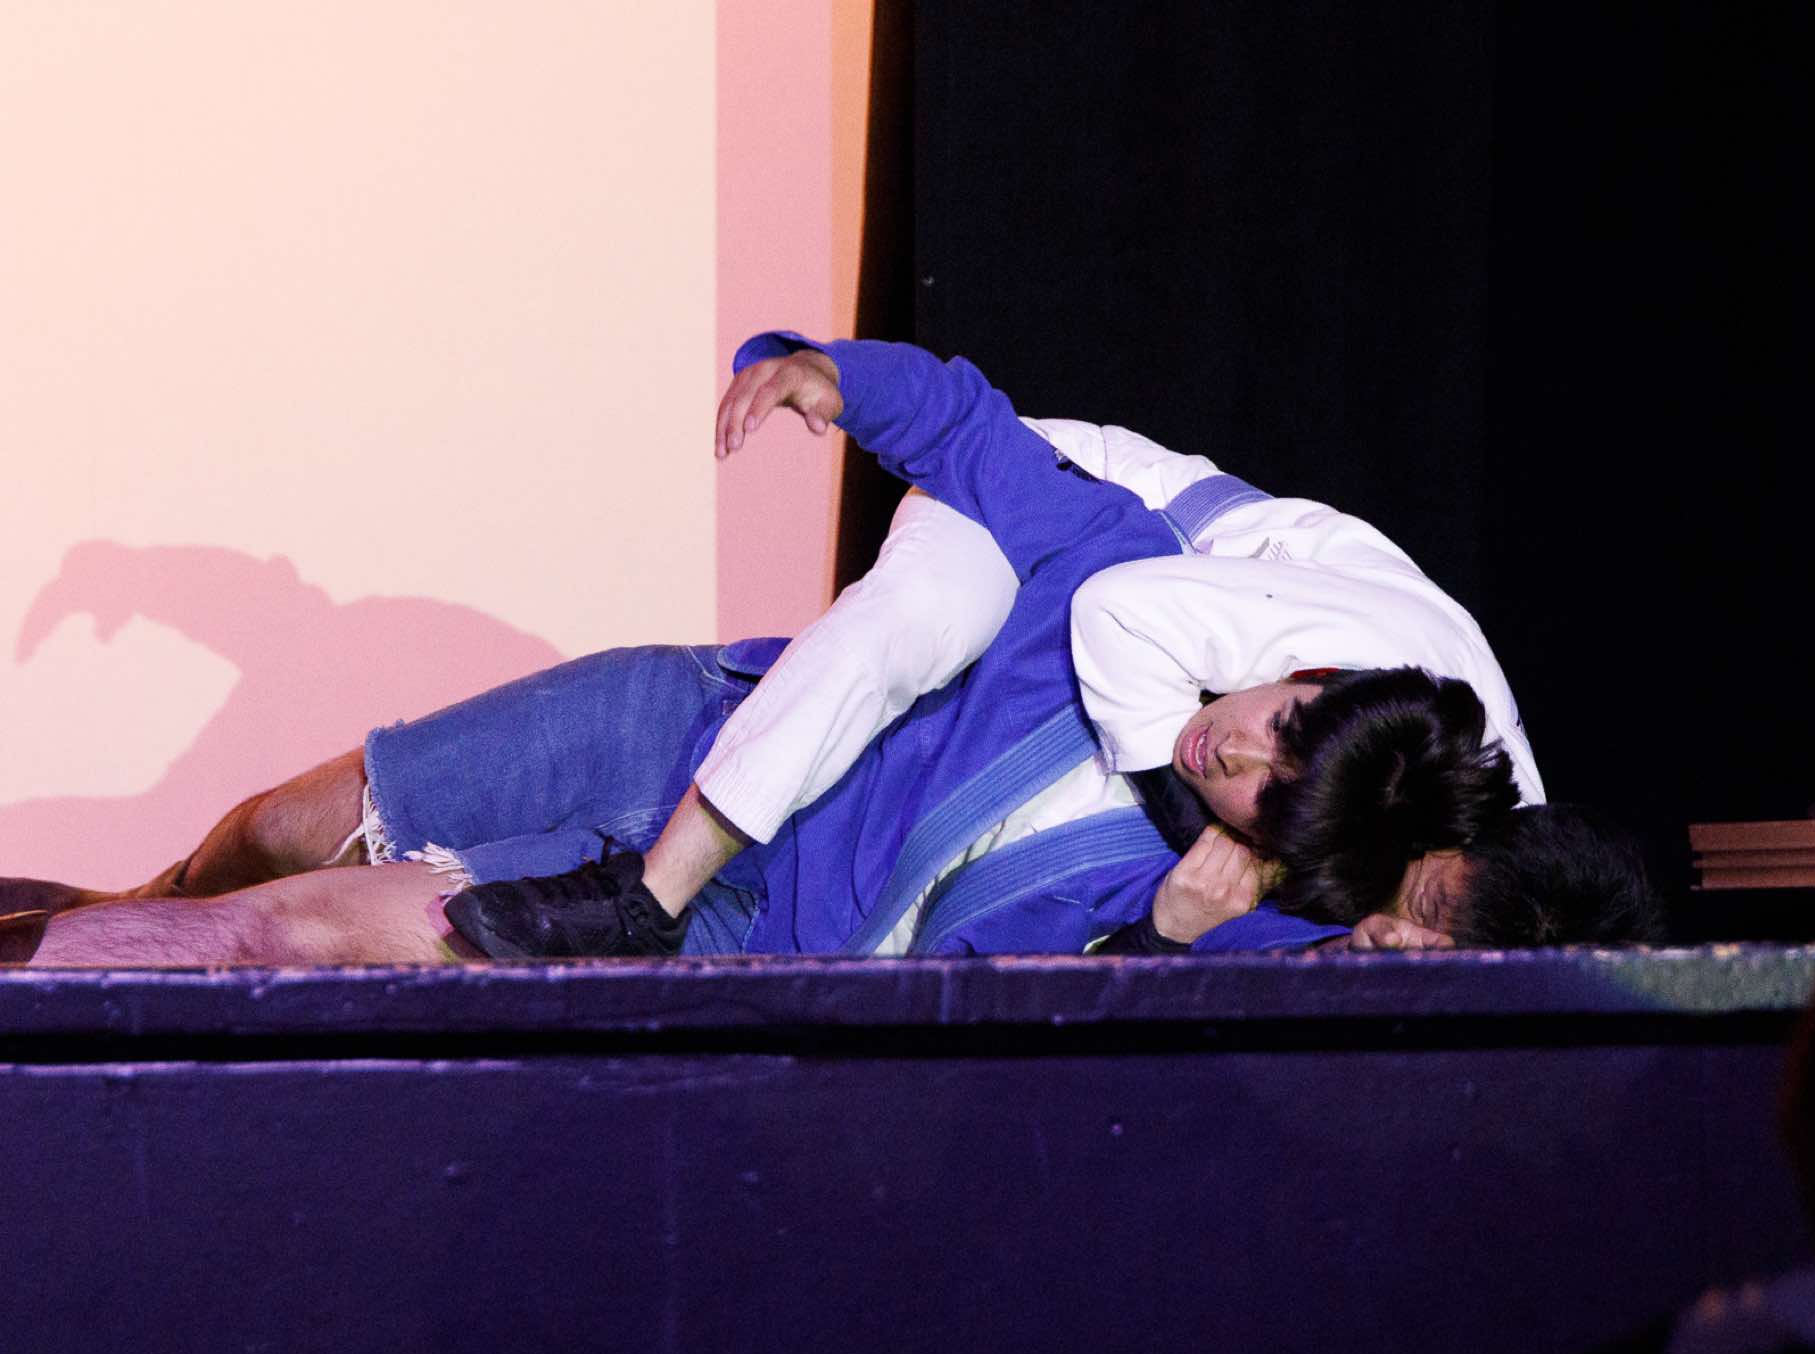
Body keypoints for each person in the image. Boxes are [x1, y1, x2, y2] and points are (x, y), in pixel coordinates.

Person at [9, 331, 1537, 965]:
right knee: (271, 832)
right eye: (1282, 717)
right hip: (688, 731)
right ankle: (100, 909)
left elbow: (1068, 1070)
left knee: (282, 935)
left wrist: (1166, 944)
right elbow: (975, 430)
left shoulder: (1220, 914)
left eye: (1267, 788)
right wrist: (823, 372)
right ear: (1303, 663)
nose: (1234, 747)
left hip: (729, 929)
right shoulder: (1142, 571)